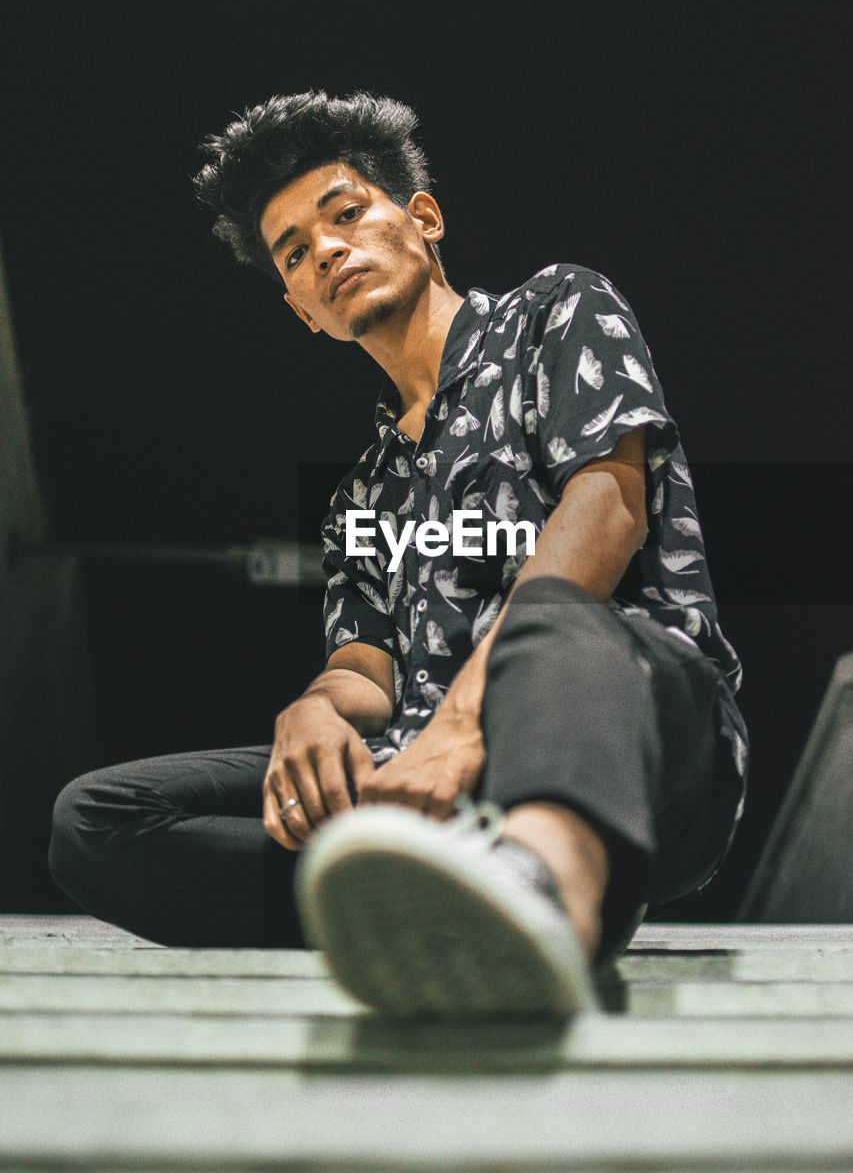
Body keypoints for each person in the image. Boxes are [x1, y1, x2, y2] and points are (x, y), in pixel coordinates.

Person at [50, 91, 748, 1017]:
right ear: (300, 308)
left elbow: (607, 510)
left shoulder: (554, 312)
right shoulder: (361, 495)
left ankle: (548, 885)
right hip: (423, 778)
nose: (326, 250)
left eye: (344, 215)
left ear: (421, 220)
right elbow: (365, 670)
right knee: (97, 820)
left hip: (637, 738)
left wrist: (462, 725)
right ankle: (410, 898)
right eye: (294, 252)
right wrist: (313, 712)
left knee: (553, 611)